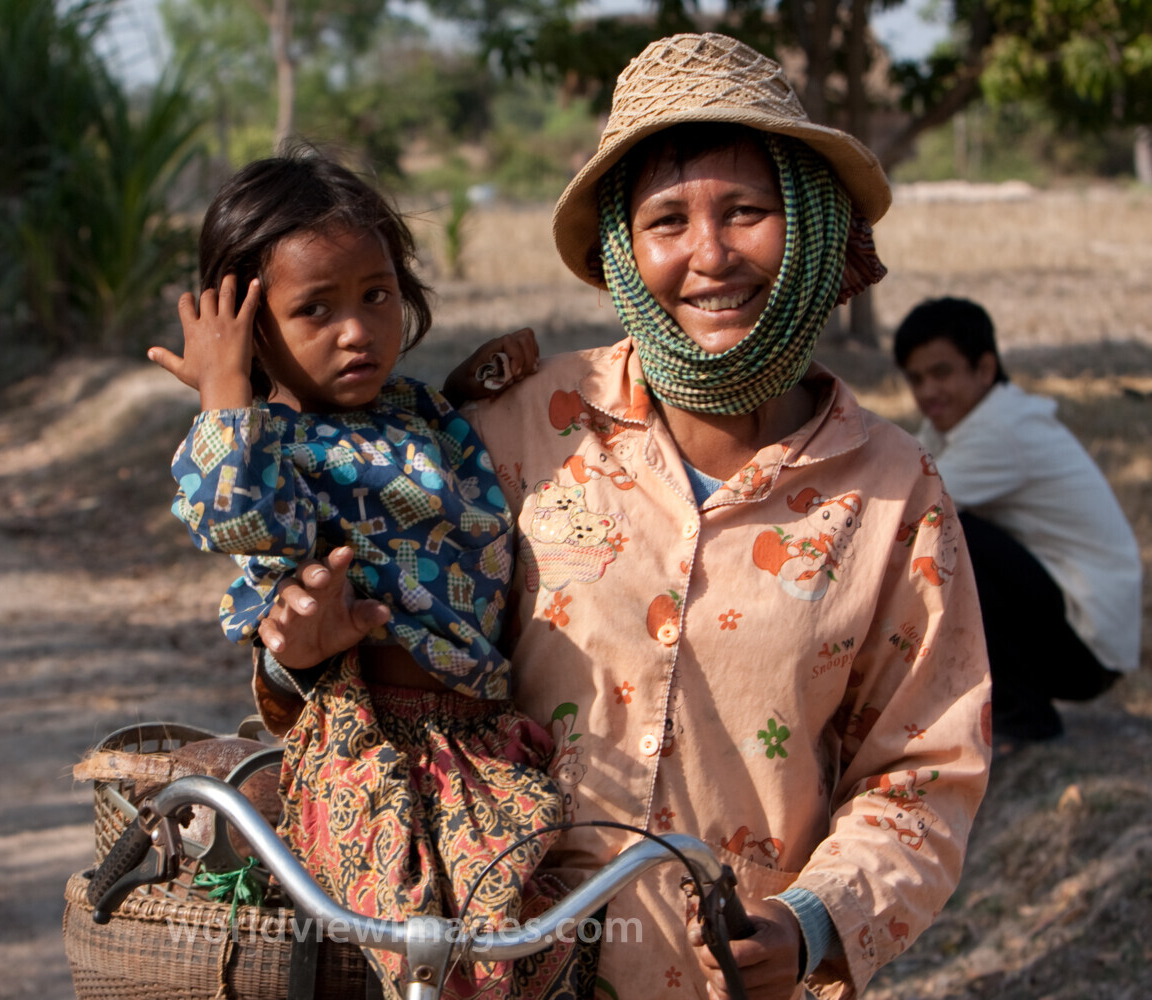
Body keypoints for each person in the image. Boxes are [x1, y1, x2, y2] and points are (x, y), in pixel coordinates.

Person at [253, 34, 992, 1000]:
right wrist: (291, 656)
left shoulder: (897, 494)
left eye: (747, 211)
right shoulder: (512, 430)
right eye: (666, 221)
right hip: (499, 966)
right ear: (623, 250)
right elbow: (384, 663)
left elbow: (926, 768)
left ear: (808, 223)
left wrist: (814, 921)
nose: (711, 255)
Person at [149, 150, 592, 1000]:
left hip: (483, 737)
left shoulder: (417, 409)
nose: (356, 330)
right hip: (376, 750)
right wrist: (223, 395)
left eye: (375, 295)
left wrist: (481, 386)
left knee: (544, 945)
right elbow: (229, 517)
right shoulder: (265, 443)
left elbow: (440, 491)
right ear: (251, 327)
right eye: (314, 309)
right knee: (446, 962)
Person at [894, 296, 1141, 747]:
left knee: (943, 531)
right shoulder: (962, 423)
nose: (928, 390)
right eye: (916, 379)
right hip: (1071, 625)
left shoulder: (1000, 431)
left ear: (984, 369)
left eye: (942, 373)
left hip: (1087, 648)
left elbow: (901, 509)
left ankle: (1024, 717)